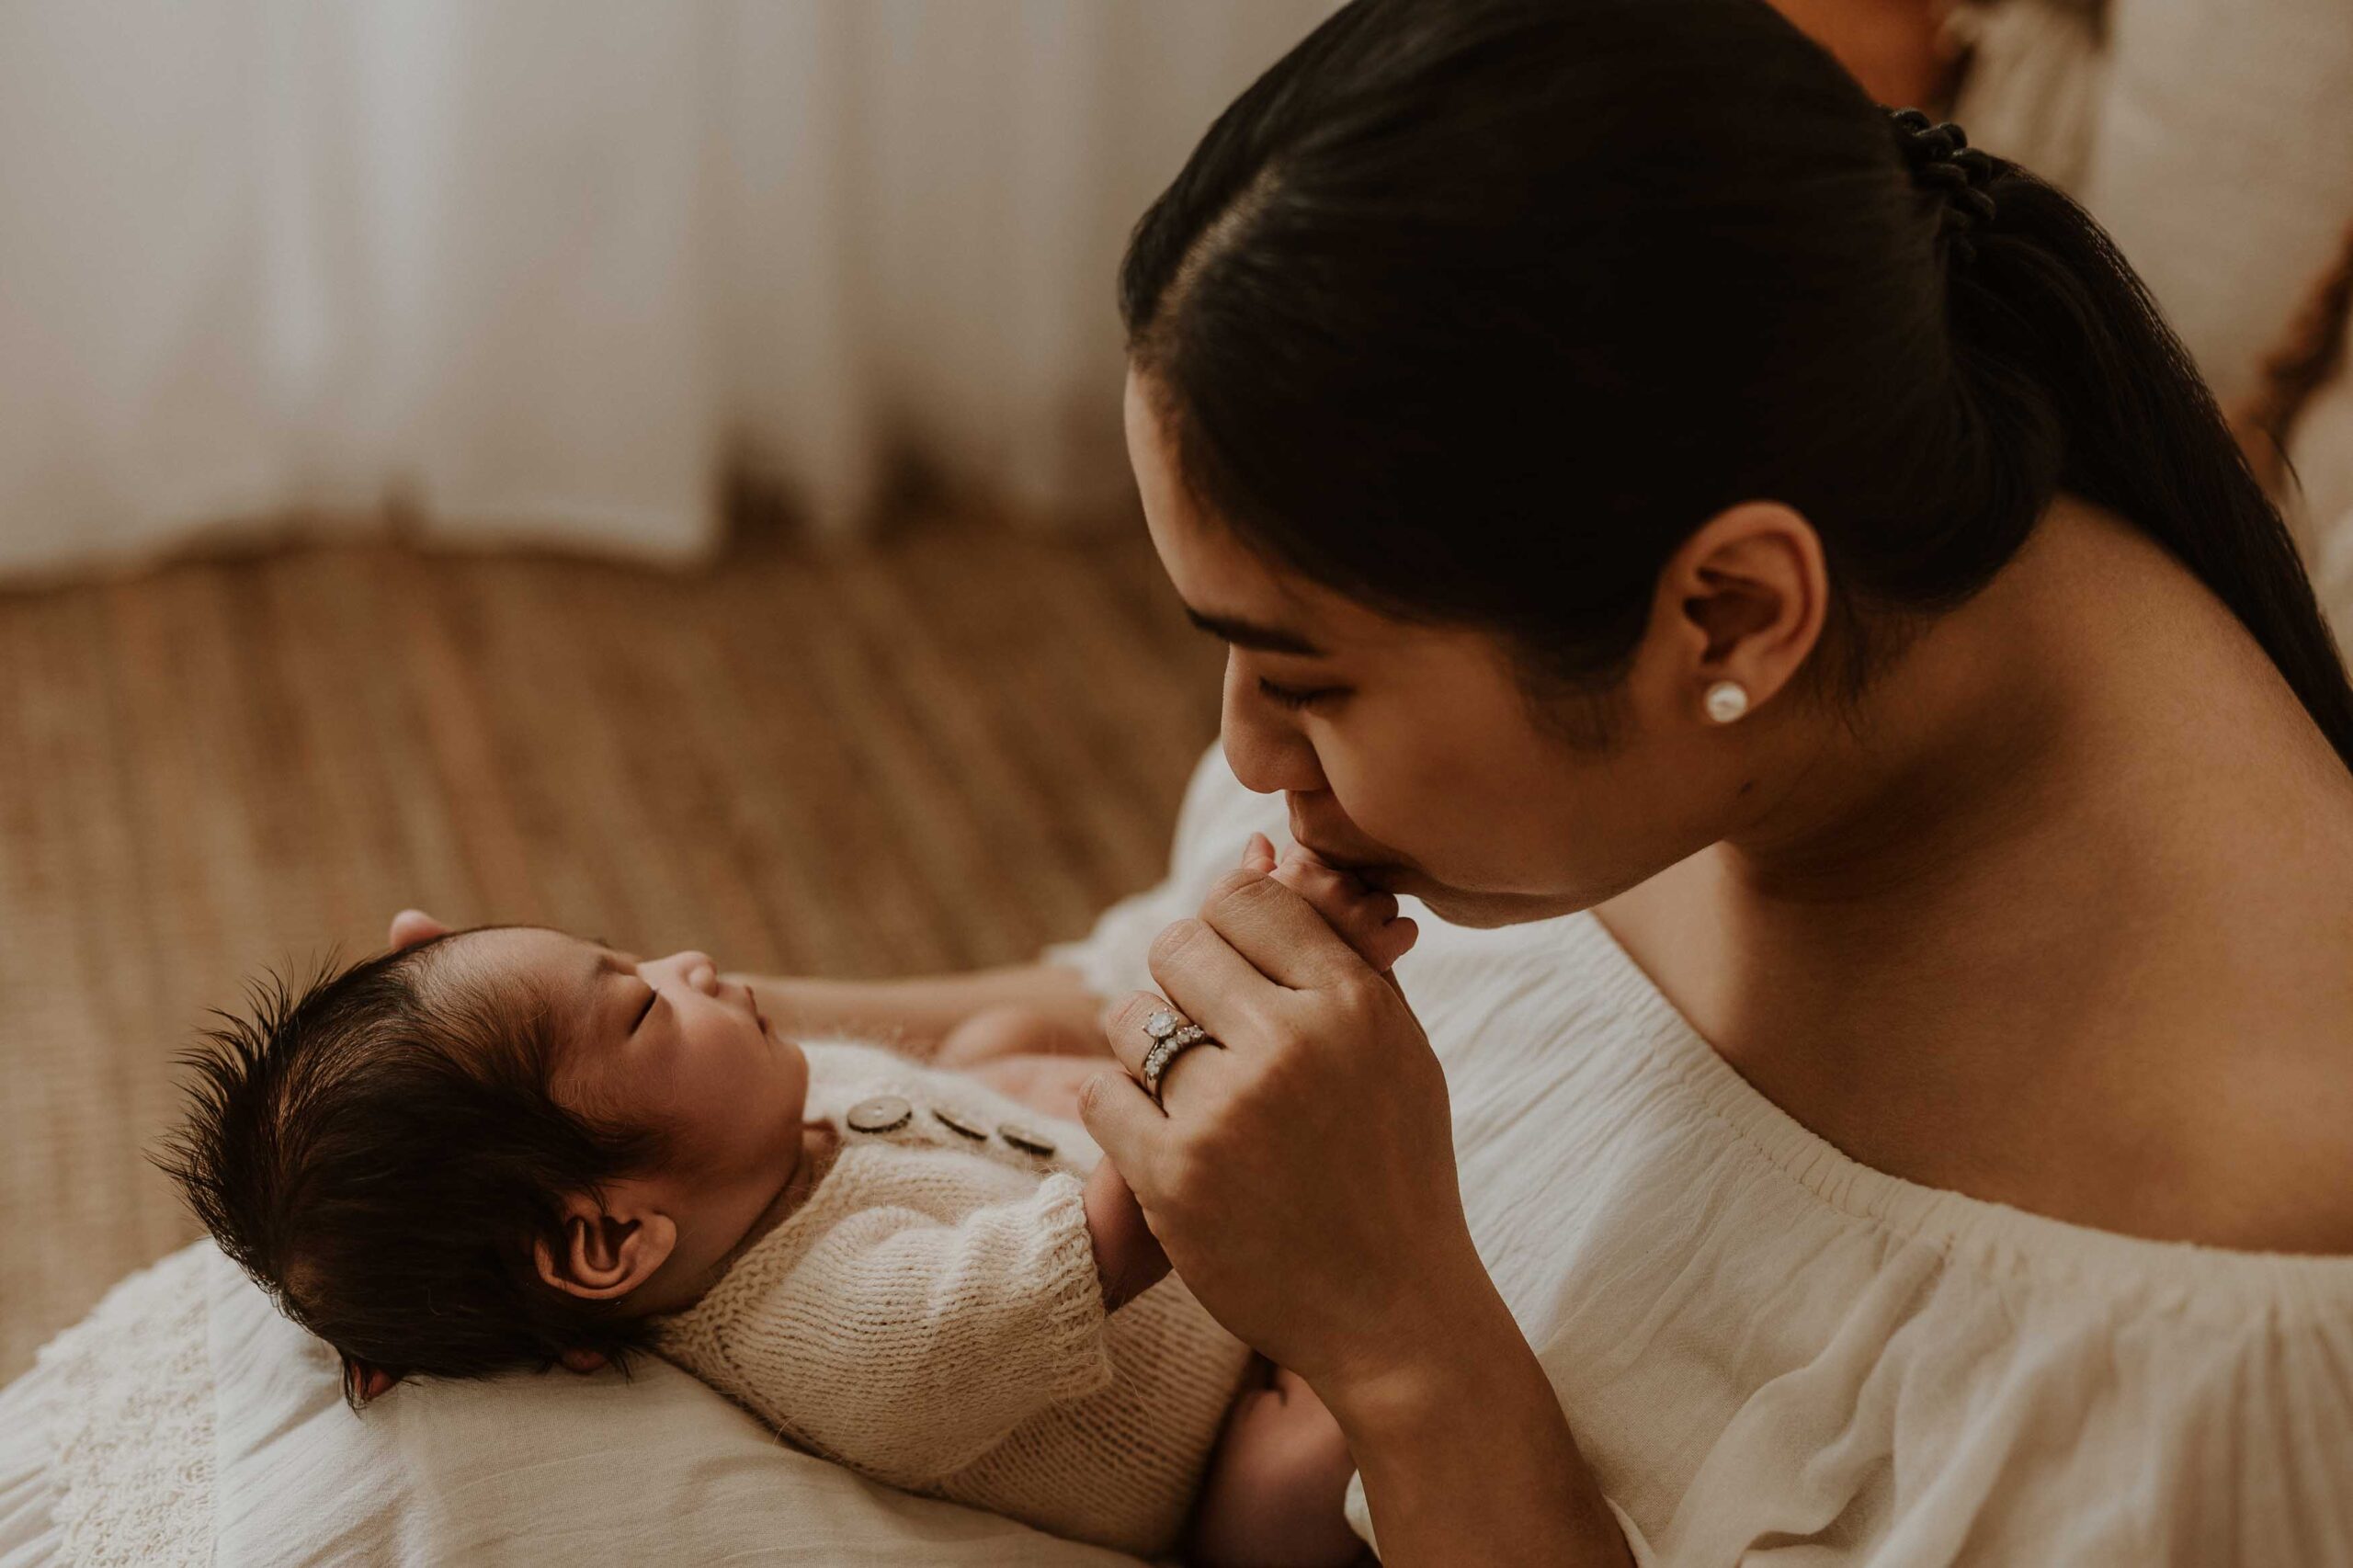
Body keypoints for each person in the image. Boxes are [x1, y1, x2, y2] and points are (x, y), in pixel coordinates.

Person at [744, 0, 2353, 1561]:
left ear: (1732, 615)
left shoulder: (2243, 1285)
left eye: (1301, 675)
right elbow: (1094, 1010)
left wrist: (1403, 1338)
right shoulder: (1668, 674)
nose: (1242, 750)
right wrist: (650, 1015)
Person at [153, 846, 1410, 1564]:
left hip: (1053, 1195)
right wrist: (1226, 1018)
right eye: (642, 1006)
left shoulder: (752, 1136)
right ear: (607, 1237)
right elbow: (1108, 1239)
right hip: (1213, 1424)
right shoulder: (835, 1328)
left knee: (1008, 1035)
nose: (687, 964)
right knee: (1295, 1475)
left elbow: (905, 1084)